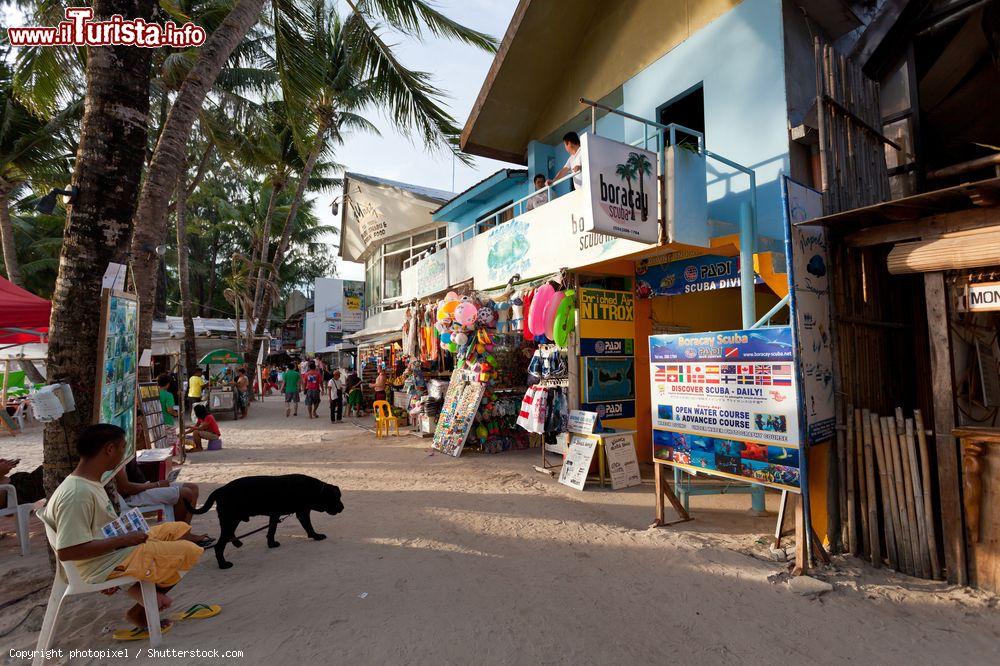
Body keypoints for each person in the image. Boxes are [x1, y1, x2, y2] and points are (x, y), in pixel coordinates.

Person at [39, 424, 213, 638]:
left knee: (178, 530)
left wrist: (126, 539)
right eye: (123, 448)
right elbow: (67, 551)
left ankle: (147, 598)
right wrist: (124, 540)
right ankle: (145, 606)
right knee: (188, 550)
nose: (125, 454)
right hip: (98, 564)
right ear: (109, 449)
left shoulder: (90, 482)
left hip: (109, 551)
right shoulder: (77, 493)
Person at [114, 461, 213, 547]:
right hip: (132, 496)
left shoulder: (125, 449)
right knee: (185, 493)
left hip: (142, 486)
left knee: (193, 488)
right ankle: (179, 534)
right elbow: (125, 488)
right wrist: (155, 485)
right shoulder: (116, 456)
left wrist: (153, 484)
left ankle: (184, 532)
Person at [156, 374, 180, 452]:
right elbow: (169, 410)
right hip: (167, 421)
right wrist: (176, 414)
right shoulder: (168, 395)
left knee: (160, 442)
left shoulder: (154, 393)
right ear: (168, 384)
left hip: (156, 422)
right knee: (170, 442)